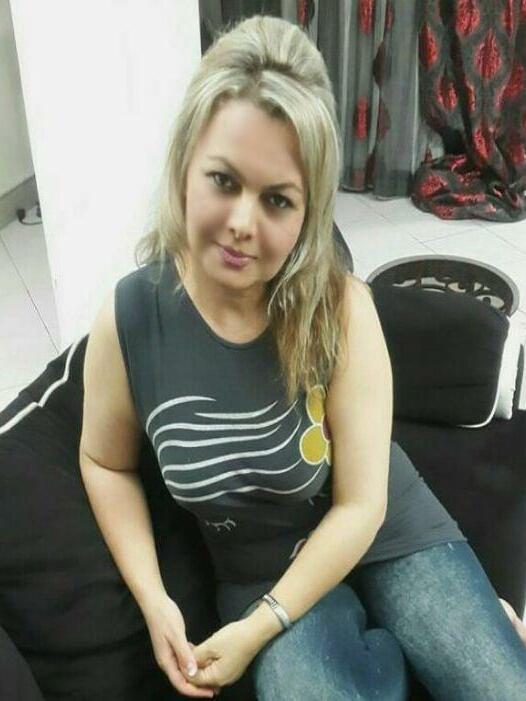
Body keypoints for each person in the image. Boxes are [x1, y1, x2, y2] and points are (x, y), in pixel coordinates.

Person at [79, 14, 526, 701]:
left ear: (307, 213)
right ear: (185, 166)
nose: (242, 223)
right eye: (223, 180)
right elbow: (105, 462)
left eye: (277, 200)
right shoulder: (131, 318)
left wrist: (259, 631)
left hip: (382, 530)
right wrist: (155, 599)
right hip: (261, 571)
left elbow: (361, 505)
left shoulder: (341, 307)